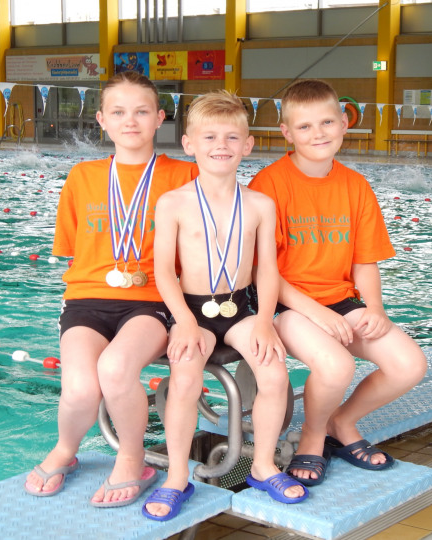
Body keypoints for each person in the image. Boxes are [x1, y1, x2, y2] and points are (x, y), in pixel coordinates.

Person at [23, 71, 198, 508]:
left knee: (117, 370)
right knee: (80, 389)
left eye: (141, 111)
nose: (130, 121)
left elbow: (202, 255)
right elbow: (71, 250)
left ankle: (133, 457)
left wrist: (185, 318)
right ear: (101, 119)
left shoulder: (187, 175)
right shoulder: (82, 177)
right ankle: (67, 449)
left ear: (160, 118)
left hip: (153, 301)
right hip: (87, 300)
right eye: (119, 112)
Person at [248, 79, 428, 486]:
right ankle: (312, 436)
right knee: (336, 366)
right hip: (284, 305)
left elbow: (364, 260)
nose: (318, 134)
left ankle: (341, 422)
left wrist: (375, 308)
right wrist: (314, 312)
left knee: (409, 365)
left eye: (327, 122)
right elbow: (262, 271)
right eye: (306, 126)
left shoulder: (355, 186)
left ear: (344, 123)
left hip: (341, 300)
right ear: (287, 133)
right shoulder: (269, 186)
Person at [144, 90, 308, 521]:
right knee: (184, 380)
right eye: (210, 136)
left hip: (241, 309)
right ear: (189, 144)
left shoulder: (259, 204)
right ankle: (177, 476)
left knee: (273, 372)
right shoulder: (173, 203)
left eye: (232, 138)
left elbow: (268, 270)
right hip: (192, 311)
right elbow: (163, 271)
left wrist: (266, 323)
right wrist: (182, 321)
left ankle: (263, 465)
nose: (221, 145)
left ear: (248, 145)